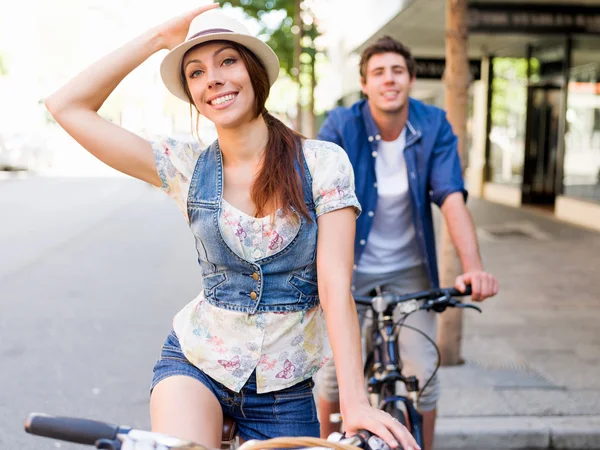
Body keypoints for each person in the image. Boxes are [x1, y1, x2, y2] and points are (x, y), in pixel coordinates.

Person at [44, 5, 420, 450]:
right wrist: (158, 38)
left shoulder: (322, 162)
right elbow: (66, 106)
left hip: (284, 390)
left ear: (255, 72)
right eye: (196, 72)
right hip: (196, 364)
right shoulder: (184, 165)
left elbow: (335, 284)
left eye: (227, 61)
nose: (213, 79)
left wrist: (354, 402)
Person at [316, 36, 499, 450]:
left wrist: (473, 266)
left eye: (397, 71)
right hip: (349, 269)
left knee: (423, 372)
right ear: (364, 84)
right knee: (331, 374)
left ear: (411, 79)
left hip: (410, 271)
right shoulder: (341, 126)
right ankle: (323, 445)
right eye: (378, 72)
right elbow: (317, 197)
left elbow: (451, 196)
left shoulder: (433, 124)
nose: (389, 80)